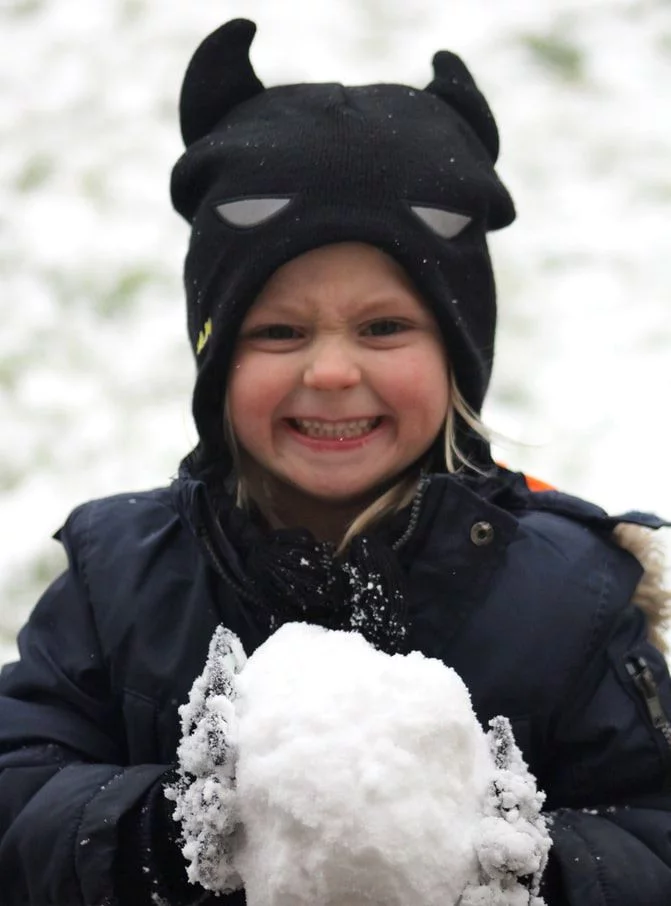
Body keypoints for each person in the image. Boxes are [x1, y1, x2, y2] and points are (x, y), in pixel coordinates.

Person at [0, 16, 670, 905]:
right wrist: (171, 833)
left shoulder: (570, 596)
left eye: (383, 327)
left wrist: (515, 857)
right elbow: (20, 795)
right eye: (278, 332)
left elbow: (650, 833)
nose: (330, 371)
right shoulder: (119, 580)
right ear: (216, 363)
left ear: (457, 353)